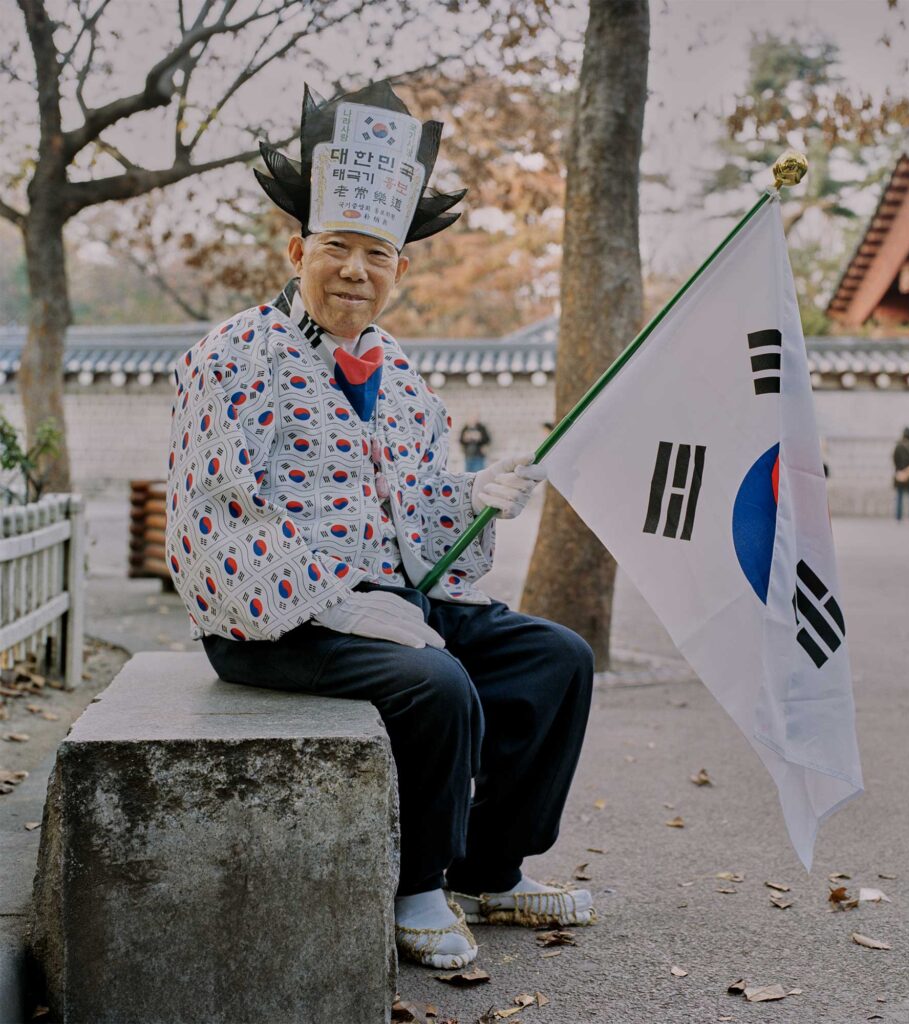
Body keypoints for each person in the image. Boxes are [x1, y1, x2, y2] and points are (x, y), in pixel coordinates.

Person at [164, 81, 595, 971]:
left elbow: (419, 510)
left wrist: (477, 496)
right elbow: (217, 515)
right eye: (338, 248)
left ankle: (491, 867)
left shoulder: (399, 370)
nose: (356, 270)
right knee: (437, 687)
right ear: (297, 250)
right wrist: (333, 601)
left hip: (392, 603)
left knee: (556, 659)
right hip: (273, 622)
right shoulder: (231, 355)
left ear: (401, 269)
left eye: (377, 254)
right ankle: (418, 886)